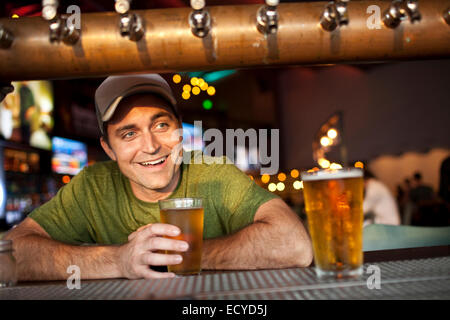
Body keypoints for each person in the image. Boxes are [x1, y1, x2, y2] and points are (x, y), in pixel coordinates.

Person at [3, 74, 313, 281]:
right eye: (128, 133)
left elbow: (296, 246)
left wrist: (183, 254)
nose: (150, 146)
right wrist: (119, 260)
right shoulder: (92, 186)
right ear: (108, 149)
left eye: (161, 125)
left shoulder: (214, 172)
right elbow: (9, 255)